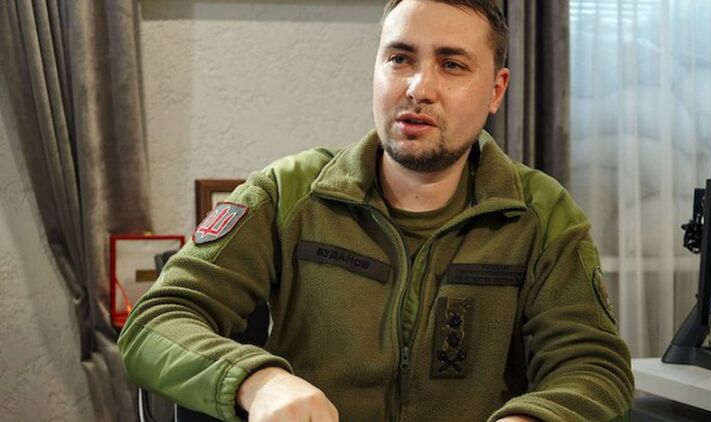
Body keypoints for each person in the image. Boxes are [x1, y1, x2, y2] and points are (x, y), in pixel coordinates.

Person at [118, 1, 634, 421]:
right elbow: (157, 321)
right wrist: (259, 381)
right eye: (399, 59)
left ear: (495, 91)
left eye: (452, 65)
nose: (418, 88)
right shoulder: (287, 193)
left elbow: (594, 368)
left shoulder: (542, 214)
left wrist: (533, 419)